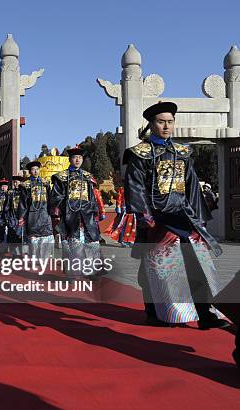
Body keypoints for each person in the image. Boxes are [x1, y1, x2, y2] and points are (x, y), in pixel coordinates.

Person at [124, 101, 228, 328]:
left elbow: (191, 186)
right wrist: (144, 215)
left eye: (170, 122)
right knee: (155, 267)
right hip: (156, 219)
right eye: (161, 122)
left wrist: (199, 216)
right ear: (151, 124)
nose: (166, 126)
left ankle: (205, 313)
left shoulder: (182, 152)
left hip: (184, 216)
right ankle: (156, 312)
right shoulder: (139, 154)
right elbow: (135, 186)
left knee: (198, 264)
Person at [51, 146, 105, 277]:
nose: (77, 160)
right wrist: (61, 211)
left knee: (92, 241)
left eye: (80, 158)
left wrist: (95, 212)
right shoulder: (61, 177)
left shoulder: (87, 176)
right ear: (70, 159)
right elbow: (56, 197)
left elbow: (92, 197)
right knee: (72, 243)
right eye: (75, 157)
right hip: (70, 214)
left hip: (87, 215)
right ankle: (73, 272)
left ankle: (93, 271)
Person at [22, 160, 55, 262]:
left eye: (37, 169)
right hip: (32, 215)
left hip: (45, 214)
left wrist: (53, 212)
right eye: (33, 169)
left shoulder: (45, 183)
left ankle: (44, 258)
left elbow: (51, 198)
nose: (35, 171)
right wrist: (21, 216)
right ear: (30, 171)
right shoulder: (26, 185)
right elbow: (23, 202)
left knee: (46, 236)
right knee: (34, 239)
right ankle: (35, 258)